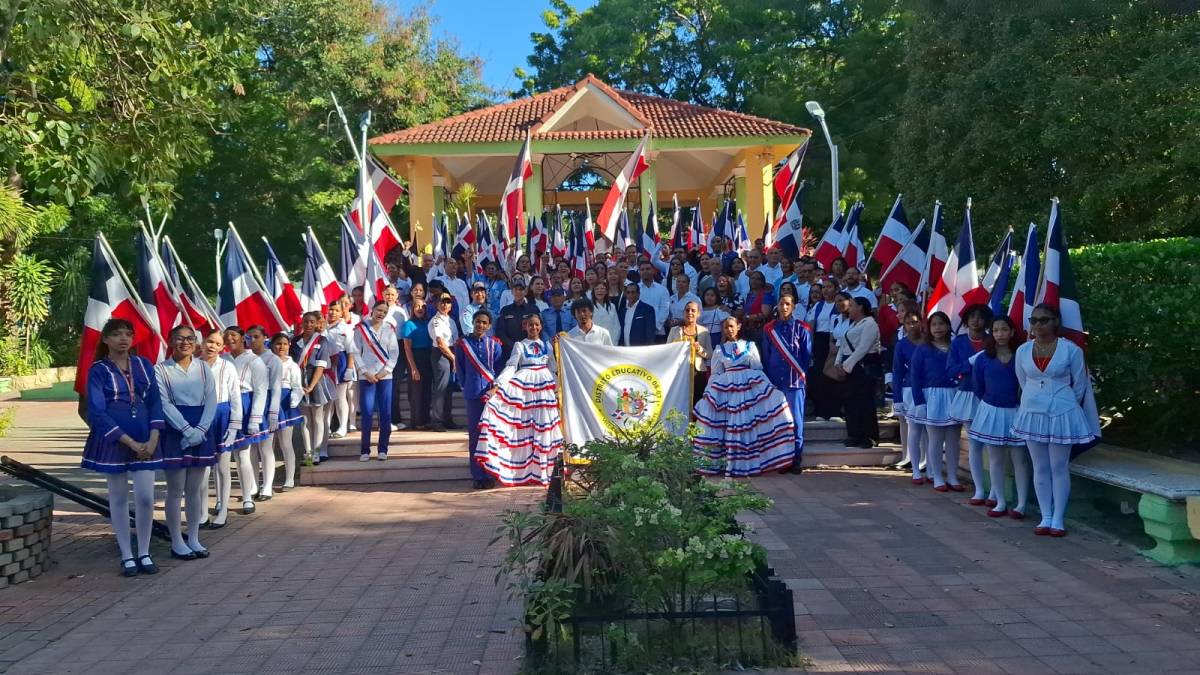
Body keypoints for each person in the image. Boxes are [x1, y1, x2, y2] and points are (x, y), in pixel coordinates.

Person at [82, 319, 164, 576]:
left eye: (128, 334)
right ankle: (127, 554)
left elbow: (155, 402)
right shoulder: (98, 369)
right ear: (105, 339)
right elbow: (96, 411)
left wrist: (153, 438)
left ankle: (144, 551)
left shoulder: (144, 365)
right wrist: (128, 441)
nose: (123, 339)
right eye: (116, 334)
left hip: (145, 436)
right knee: (117, 497)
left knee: (145, 497)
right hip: (114, 440)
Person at [1012, 304, 1100, 537]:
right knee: (1039, 466)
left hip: (1062, 412)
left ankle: (1058, 518)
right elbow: (1022, 380)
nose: (1038, 325)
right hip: (1032, 412)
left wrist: (1063, 402)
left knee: (1058, 466)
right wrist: (1035, 398)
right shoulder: (1022, 351)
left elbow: (1080, 384)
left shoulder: (1070, 350)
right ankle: (1045, 516)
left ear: (1055, 322)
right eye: (1034, 320)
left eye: (1044, 320)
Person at [693, 316, 797, 476]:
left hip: (747, 390)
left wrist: (768, 388)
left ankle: (747, 464)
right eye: (726, 327)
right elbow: (716, 373)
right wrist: (709, 393)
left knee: (746, 425)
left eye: (732, 326)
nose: (729, 329)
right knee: (728, 425)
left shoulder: (749, 346)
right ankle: (728, 463)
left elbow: (756, 368)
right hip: (727, 390)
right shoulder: (720, 349)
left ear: (739, 326)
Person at [478, 315, 564, 486]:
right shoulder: (520, 345)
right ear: (525, 327)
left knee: (544, 428)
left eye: (536, 325)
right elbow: (511, 366)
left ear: (541, 326)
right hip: (525, 388)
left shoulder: (547, 345)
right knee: (525, 429)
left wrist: (559, 387)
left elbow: (553, 367)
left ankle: (544, 471)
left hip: (544, 389)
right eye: (530, 325)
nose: (533, 328)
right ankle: (524, 469)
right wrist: (498, 385)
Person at [155, 325, 217, 561]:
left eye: (190, 339)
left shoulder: (203, 368)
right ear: (171, 341)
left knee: (195, 489)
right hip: (175, 431)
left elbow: (211, 399)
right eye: (180, 339)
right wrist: (186, 430)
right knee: (175, 489)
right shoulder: (160, 370)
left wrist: (200, 430)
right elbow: (164, 403)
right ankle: (177, 541)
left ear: (196, 342)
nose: (185, 343)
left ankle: (193, 537)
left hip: (201, 429)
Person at [969, 316, 1030, 519]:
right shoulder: (983, 358)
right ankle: (1000, 501)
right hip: (992, 410)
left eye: (1004, 330)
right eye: (996, 330)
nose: (1000, 334)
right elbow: (978, 386)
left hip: (1016, 411)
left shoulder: (1021, 356)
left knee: (1019, 460)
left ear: (1012, 332)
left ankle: (1021, 504)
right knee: (995, 459)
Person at [910, 312, 964, 492]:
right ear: (928, 328)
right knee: (935, 438)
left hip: (954, 395)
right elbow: (915, 377)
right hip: (932, 397)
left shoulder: (955, 347)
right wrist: (919, 402)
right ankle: (937, 476)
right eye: (934, 325)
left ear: (948, 326)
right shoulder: (923, 349)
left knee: (953, 440)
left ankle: (953, 476)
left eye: (941, 324)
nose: (938, 328)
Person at [761, 294, 812, 472]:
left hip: (795, 382)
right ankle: (783, 460)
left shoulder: (802, 328)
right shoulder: (769, 329)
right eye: (781, 303)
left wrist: (799, 376)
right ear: (777, 305)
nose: (784, 307)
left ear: (794, 306)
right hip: (776, 382)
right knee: (780, 422)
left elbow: (806, 357)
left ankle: (796, 459)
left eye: (788, 304)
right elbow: (766, 357)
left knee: (796, 421)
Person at [949, 304, 993, 506]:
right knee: (975, 445)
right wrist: (971, 363)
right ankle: (979, 489)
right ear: (966, 320)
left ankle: (994, 490)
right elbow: (951, 369)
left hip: (990, 396)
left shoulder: (992, 341)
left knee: (992, 446)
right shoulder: (958, 342)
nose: (976, 321)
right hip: (967, 394)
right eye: (972, 317)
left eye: (980, 317)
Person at [199, 329, 242, 529]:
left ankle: (223, 509)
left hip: (221, 415)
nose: (212, 346)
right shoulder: (194, 365)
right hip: (199, 416)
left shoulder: (227, 367)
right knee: (202, 468)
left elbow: (235, 397)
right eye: (209, 341)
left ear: (222, 347)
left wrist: (234, 425)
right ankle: (201, 511)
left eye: (217, 344)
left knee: (223, 465)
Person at [456, 310, 503, 489]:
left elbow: (499, 370)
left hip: (491, 395)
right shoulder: (463, 344)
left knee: (490, 434)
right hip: (473, 394)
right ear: (473, 322)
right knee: (475, 436)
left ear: (489, 325)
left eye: (484, 322)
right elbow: (459, 368)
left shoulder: (495, 345)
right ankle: (477, 475)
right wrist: (466, 386)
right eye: (478, 321)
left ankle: (490, 472)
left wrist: (496, 389)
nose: (480, 325)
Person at [224, 326, 267, 513]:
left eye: (233, 335)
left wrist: (254, 419)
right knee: (223, 457)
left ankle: (248, 497)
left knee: (243, 453)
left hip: (245, 403)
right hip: (225, 405)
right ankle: (221, 500)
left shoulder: (254, 361)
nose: (229, 339)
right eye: (226, 336)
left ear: (243, 338)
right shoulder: (222, 360)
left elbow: (260, 390)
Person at [353, 301, 399, 459]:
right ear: (372, 310)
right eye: (379, 310)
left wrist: (384, 372)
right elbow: (355, 351)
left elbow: (394, 353)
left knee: (385, 413)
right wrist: (365, 372)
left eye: (384, 312)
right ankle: (365, 450)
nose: (381, 313)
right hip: (366, 376)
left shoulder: (389, 329)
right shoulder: (361, 329)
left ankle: (383, 449)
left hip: (385, 376)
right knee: (366, 412)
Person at [834, 298, 882, 449]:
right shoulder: (853, 324)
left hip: (863, 366)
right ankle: (854, 435)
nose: (849, 308)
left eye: (852, 305)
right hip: (850, 366)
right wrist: (837, 363)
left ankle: (869, 436)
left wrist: (846, 366)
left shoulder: (870, 324)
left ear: (861, 307)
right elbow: (843, 344)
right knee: (851, 402)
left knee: (865, 402)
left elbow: (863, 348)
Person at [891, 303, 927, 484]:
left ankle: (928, 463)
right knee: (914, 429)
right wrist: (897, 398)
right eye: (908, 323)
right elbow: (897, 372)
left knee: (930, 431)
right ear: (904, 326)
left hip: (929, 390)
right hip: (909, 390)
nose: (912, 326)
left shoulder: (929, 342)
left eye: (915, 322)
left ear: (921, 322)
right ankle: (915, 467)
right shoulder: (901, 345)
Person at [246, 326, 281, 501]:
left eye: (256, 337)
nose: (252, 340)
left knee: (266, 447)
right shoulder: (247, 358)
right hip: (249, 403)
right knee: (251, 447)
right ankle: (253, 484)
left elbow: (276, 388)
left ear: (265, 338)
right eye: (249, 337)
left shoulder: (272, 359)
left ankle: (267, 486)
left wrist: (273, 413)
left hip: (266, 403)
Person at [295, 311, 334, 466]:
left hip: (316, 381)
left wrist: (311, 385)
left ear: (317, 323)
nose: (309, 325)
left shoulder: (322, 340)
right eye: (306, 322)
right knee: (305, 420)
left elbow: (321, 365)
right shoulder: (295, 341)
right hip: (299, 381)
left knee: (318, 419)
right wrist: (298, 385)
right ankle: (308, 452)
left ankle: (318, 451)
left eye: (312, 322)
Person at [270, 333, 303, 491]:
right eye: (278, 344)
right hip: (270, 402)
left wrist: (293, 401)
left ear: (289, 345)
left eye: (284, 344)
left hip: (286, 402)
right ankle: (267, 482)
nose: (281, 347)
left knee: (285, 442)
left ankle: (289, 479)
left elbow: (297, 386)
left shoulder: (292, 366)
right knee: (268, 444)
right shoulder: (267, 362)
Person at [806, 278, 842, 421]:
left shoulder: (838, 305)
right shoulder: (818, 305)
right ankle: (821, 411)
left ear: (836, 289)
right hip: (820, 343)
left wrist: (833, 343)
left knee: (833, 376)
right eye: (824, 287)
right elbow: (811, 326)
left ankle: (835, 411)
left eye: (829, 287)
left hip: (834, 341)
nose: (826, 290)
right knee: (820, 376)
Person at [667, 300, 712, 402]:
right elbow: (667, 351)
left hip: (698, 373)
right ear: (683, 312)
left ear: (698, 313)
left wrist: (699, 349)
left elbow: (710, 354)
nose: (690, 313)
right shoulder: (674, 330)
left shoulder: (704, 331)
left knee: (697, 402)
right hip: (679, 372)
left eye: (693, 310)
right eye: (687, 310)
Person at [326, 300, 358, 439]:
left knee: (340, 397)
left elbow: (351, 350)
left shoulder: (346, 328)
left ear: (342, 312)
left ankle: (343, 426)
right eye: (331, 309)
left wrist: (349, 368)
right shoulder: (323, 328)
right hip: (325, 363)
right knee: (327, 400)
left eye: (336, 310)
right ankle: (326, 427)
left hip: (341, 362)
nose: (333, 312)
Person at [429, 292, 460, 432]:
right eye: (442, 301)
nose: (444, 304)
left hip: (452, 353)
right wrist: (453, 357)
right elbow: (440, 342)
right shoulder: (436, 320)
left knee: (449, 388)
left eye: (447, 302)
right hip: (441, 354)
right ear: (437, 304)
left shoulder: (451, 320)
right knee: (440, 389)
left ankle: (447, 419)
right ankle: (436, 421)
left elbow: (457, 340)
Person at [402, 300, 434, 431]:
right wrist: (413, 368)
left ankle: (426, 419)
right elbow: (407, 347)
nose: (420, 309)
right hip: (415, 357)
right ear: (412, 309)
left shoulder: (427, 323)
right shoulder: (409, 324)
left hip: (428, 357)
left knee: (427, 390)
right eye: (417, 306)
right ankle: (417, 421)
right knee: (416, 391)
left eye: (423, 307)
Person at [495, 278, 539, 359]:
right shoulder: (505, 310)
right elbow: (500, 331)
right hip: (510, 352)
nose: (518, 292)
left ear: (525, 291)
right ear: (512, 291)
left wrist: (528, 345)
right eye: (516, 289)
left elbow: (539, 329)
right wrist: (513, 346)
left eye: (521, 289)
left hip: (530, 351)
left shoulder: (533, 309)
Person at [636, 261, 669, 340]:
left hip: (658, 331)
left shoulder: (662, 289)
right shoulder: (635, 289)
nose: (645, 271)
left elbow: (665, 309)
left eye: (648, 269)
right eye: (642, 269)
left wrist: (654, 326)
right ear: (639, 272)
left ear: (653, 271)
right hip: (639, 331)